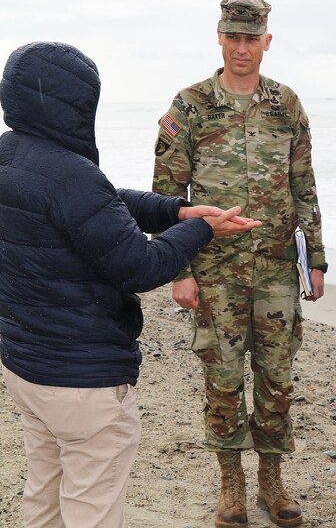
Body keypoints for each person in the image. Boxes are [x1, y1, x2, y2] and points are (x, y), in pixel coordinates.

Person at [0, 41, 260, 528]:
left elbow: (102, 202)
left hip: (25, 367)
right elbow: (140, 266)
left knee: (44, 498)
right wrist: (202, 229)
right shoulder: (70, 176)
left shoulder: (11, 155)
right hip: (82, 379)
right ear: (74, 105)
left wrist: (176, 211)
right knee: (92, 510)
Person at [151, 0, 326, 527]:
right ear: (220, 37)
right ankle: (231, 485)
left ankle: (272, 483)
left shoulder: (287, 104)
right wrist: (178, 270)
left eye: (252, 38)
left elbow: (304, 185)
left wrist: (315, 259)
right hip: (214, 272)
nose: (242, 48)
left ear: (266, 40)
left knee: (277, 378)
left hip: (276, 268)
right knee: (223, 380)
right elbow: (165, 193)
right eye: (234, 37)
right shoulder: (191, 105)